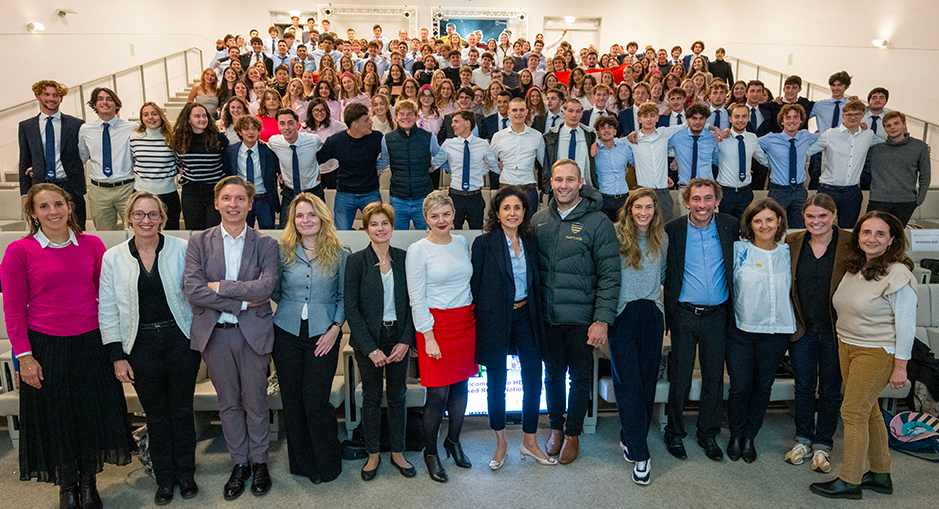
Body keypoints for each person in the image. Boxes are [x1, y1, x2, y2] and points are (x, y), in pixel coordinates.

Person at [2, 184, 134, 509]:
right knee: (58, 417)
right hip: (46, 347)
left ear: (70, 207)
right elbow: (14, 310)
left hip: (91, 342)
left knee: (90, 414)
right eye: (44, 207)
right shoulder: (19, 251)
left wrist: (115, 345)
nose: (53, 212)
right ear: (33, 213)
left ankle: (89, 483)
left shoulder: (92, 245)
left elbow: (107, 298)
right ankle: (67, 486)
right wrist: (25, 358)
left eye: (58, 204)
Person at [98, 192, 200, 505]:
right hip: (139, 345)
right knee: (155, 415)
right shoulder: (113, 257)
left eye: (153, 214)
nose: (146, 220)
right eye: (140, 214)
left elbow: (196, 294)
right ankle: (165, 478)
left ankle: (186, 474)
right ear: (128, 217)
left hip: (179, 340)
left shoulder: (181, 249)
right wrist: (116, 355)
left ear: (162, 218)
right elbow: (108, 308)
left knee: (182, 411)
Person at [183, 176, 278, 501]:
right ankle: (239, 463)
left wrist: (219, 286)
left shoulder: (265, 244)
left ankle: (260, 461)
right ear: (217, 202)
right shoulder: (199, 241)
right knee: (229, 405)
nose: (233, 204)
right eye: (227, 198)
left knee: (256, 402)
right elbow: (193, 291)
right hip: (216, 336)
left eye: (240, 199)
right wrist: (239, 300)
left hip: (253, 334)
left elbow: (265, 289)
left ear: (251, 204)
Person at [810, 211, 916, 500]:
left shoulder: (898, 274)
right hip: (847, 345)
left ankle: (850, 480)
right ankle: (881, 475)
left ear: (892, 239)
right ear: (858, 236)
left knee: (853, 412)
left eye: (880, 234)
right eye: (866, 232)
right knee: (868, 412)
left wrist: (900, 367)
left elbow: (906, 326)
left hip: (877, 351)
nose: (872, 239)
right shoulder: (856, 266)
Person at [535, 159, 620, 465]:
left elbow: (611, 275)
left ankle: (573, 434)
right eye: (558, 179)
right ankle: (556, 429)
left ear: (580, 183)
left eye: (570, 180)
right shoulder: (540, 220)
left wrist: (602, 320)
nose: (564, 185)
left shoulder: (598, 223)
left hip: (583, 320)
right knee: (553, 376)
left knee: (580, 379)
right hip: (549, 317)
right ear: (551, 183)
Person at [471, 187, 556, 470]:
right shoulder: (484, 244)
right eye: (506, 208)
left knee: (534, 377)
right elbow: (476, 287)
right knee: (496, 382)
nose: (512, 213)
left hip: (526, 316)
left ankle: (529, 442)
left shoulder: (530, 241)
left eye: (517, 208)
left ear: (524, 212)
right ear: (497, 213)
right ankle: (501, 442)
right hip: (495, 319)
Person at [270, 192, 349, 484]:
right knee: (292, 400)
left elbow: (344, 297)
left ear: (322, 217)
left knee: (315, 401)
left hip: (324, 334)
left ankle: (327, 463)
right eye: (300, 215)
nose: (306, 220)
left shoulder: (342, 253)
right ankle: (303, 465)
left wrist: (335, 328)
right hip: (286, 332)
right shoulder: (281, 251)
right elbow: (275, 291)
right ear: (293, 220)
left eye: (311, 214)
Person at [663, 178, 739, 463]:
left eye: (708, 198)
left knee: (713, 379)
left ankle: (708, 433)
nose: (702, 205)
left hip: (717, 315)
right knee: (680, 379)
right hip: (684, 314)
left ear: (717, 200)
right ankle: (674, 432)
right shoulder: (674, 230)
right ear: (686, 202)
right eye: (697, 199)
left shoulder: (730, 225)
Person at [405, 191, 478, 483]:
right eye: (434, 216)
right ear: (426, 219)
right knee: (437, 394)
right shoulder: (418, 249)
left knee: (462, 388)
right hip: (435, 327)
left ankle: (454, 441)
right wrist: (429, 335)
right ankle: (431, 452)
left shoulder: (462, 242)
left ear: (453, 213)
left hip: (464, 322)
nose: (442, 220)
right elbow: (416, 298)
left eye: (446, 214)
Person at [345, 202, 417, 480]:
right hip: (369, 340)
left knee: (398, 397)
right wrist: (370, 347)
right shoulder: (355, 261)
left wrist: (405, 340)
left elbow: (414, 303)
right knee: (372, 398)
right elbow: (351, 308)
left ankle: (398, 451)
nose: (380, 228)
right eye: (373, 224)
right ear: (366, 229)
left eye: (384, 223)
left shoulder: (404, 258)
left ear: (392, 226)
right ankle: (373, 454)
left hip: (398, 337)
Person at [784, 193, 852, 473]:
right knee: (803, 386)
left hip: (836, 329)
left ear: (834, 216)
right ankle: (803, 439)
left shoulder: (850, 242)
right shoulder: (793, 242)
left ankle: (823, 443)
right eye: (811, 216)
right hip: (804, 327)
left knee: (830, 389)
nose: (816, 221)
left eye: (822, 216)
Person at [725, 198, 794, 463]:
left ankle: (750, 436)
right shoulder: (738, 250)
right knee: (740, 387)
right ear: (750, 224)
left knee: (762, 387)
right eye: (758, 220)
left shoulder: (788, 252)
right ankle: (735, 434)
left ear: (779, 222)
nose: (764, 225)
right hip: (741, 330)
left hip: (775, 333)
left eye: (769, 219)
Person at [607, 188, 668, 484]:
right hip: (622, 315)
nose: (643, 212)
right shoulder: (615, 234)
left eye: (649, 208)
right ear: (629, 209)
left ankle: (629, 436)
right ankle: (641, 454)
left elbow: (664, 275)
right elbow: (605, 276)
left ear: (655, 211)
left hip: (652, 316)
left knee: (645, 385)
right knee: (628, 384)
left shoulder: (662, 238)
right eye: (638, 207)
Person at [19, 80, 87, 228]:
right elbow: (24, 161)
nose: (51, 98)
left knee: (77, 230)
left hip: (70, 186)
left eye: (55, 95)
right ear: (37, 96)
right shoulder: (26, 126)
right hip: (40, 187)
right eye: (46, 94)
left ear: (61, 98)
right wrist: (25, 193)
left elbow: (83, 154)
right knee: (43, 232)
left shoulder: (76, 124)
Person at [807, 100, 885, 228]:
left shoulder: (869, 135)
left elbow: (887, 145)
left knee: (848, 230)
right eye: (849, 114)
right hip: (828, 190)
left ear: (862, 116)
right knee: (821, 227)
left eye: (857, 114)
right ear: (843, 116)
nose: (853, 117)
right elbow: (808, 150)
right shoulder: (830, 134)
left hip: (852, 192)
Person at [316, 103, 385, 229]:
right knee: (342, 234)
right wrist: (316, 172)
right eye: (366, 120)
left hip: (371, 192)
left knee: (378, 230)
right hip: (345, 194)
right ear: (355, 124)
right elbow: (317, 159)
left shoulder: (377, 138)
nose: (371, 122)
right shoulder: (336, 141)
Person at [78, 87, 136, 231]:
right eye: (100, 99)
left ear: (116, 104)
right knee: (105, 236)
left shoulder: (131, 127)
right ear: (94, 105)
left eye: (109, 99)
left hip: (127, 188)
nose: (105, 102)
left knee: (134, 233)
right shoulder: (85, 130)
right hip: (99, 191)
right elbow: (80, 158)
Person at [377, 99, 440, 230]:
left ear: (416, 116)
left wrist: (434, 164)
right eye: (402, 114)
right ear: (396, 117)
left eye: (410, 113)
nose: (406, 117)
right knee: (398, 239)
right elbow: (383, 162)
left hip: (423, 198)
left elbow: (440, 155)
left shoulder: (429, 137)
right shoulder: (387, 139)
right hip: (398, 199)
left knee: (427, 238)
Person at [754, 104, 818, 229]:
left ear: (801, 120)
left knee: (798, 228)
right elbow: (750, 143)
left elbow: (828, 136)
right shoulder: (770, 139)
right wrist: (765, 161)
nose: (792, 120)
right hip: (779, 191)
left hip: (799, 191)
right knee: (773, 226)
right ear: (782, 121)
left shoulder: (806, 136)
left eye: (795, 117)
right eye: (788, 117)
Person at [431, 110, 498, 229]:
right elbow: (434, 164)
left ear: (467, 123)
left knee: (477, 233)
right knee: (453, 233)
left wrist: (505, 168)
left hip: (475, 197)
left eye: (456, 121)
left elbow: (493, 165)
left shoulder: (483, 144)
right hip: (455, 197)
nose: (452, 125)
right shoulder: (448, 144)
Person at [866, 111, 931, 227]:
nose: (893, 127)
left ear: (904, 125)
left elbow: (925, 175)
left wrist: (920, 199)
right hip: (879, 200)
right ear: (884, 129)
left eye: (896, 123)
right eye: (888, 125)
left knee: (897, 239)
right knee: (873, 235)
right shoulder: (875, 150)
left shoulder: (919, 147)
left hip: (905, 202)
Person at [173, 102, 230, 230]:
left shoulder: (219, 138)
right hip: (191, 191)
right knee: (194, 230)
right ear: (188, 119)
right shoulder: (179, 140)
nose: (202, 119)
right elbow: (178, 163)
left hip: (215, 190)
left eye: (204, 116)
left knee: (214, 231)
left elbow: (226, 164)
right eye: (197, 116)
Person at [267, 108, 326, 227]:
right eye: (282, 123)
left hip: (313, 191)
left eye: (290, 123)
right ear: (278, 126)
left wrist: (320, 170)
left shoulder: (313, 140)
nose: (286, 127)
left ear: (297, 124)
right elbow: (268, 156)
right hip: (290, 192)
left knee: (321, 227)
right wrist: (279, 171)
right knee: (285, 228)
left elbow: (325, 154)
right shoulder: (274, 142)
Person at [222, 115, 280, 229]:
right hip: (241, 199)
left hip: (264, 198)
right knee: (242, 232)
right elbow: (227, 173)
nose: (251, 132)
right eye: (246, 129)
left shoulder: (267, 150)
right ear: (239, 131)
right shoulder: (231, 151)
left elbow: (279, 168)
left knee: (268, 232)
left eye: (254, 128)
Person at [131, 102, 182, 230]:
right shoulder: (135, 137)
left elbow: (179, 162)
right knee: (144, 232)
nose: (150, 118)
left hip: (167, 193)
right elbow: (132, 162)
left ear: (161, 116)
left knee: (170, 233)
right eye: (146, 114)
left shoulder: (172, 137)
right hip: (141, 193)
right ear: (142, 118)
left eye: (154, 114)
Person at [490, 98, 546, 212]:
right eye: (514, 110)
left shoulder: (537, 136)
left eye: (521, 110)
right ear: (509, 112)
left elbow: (544, 162)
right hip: (506, 187)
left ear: (526, 112)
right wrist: (499, 169)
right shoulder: (498, 137)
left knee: (529, 226)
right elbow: (489, 161)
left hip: (528, 189)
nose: (518, 113)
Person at [714, 103, 765, 219]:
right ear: (730, 119)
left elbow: (763, 159)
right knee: (725, 226)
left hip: (745, 191)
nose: (740, 120)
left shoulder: (752, 138)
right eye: (737, 116)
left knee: (744, 227)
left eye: (744, 116)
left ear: (748, 118)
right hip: (725, 192)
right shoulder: (721, 138)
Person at [807, 71, 853, 190]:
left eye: (839, 85)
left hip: (842, 148)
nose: (835, 88)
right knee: (815, 180)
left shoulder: (852, 105)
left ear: (846, 86)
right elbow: (801, 118)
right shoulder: (820, 105)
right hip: (821, 148)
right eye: (833, 85)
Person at [542, 99, 598, 191]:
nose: (574, 115)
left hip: (582, 186)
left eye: (578, 111)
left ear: (581, 114)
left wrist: (597, 142)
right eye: (570, 111)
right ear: (564, 113)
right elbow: (545, 162)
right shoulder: (551, 136)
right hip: (559, 188)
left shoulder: (589, 135)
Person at [593, 115, 634, 221]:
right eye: (602, 128)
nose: (606, 131)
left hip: (623, 198)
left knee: (623, 231)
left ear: (615, 131)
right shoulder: (593, 151)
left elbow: (638, 163)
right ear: (598, 133)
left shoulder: (624, 148)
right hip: (603, 198)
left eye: (609, 127)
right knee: (604, 232)